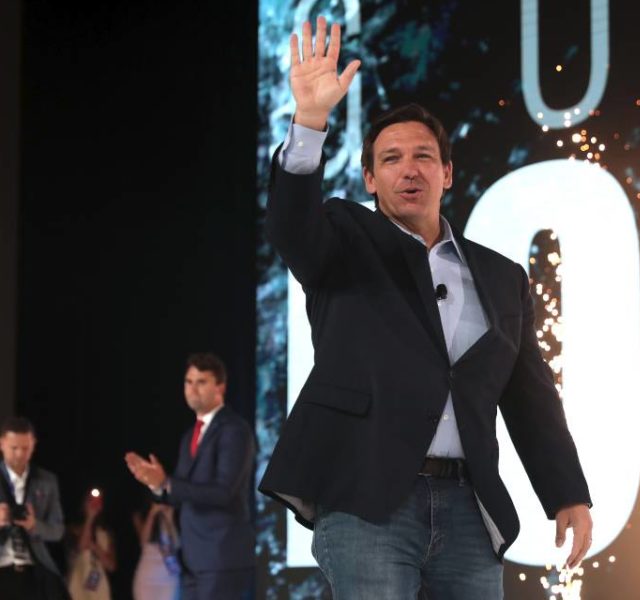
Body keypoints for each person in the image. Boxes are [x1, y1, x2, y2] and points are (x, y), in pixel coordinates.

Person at [258, 16, 594, 599]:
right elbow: (291, 227)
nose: (408, 168)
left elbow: (529, 394)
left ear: (447, 173)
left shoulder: (501, 276)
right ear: (369, 177)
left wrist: (568, 492)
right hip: (368, 500)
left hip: (470, 509)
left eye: (422, 156)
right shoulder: (342, 239)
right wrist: (310, 122)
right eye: (390, 159)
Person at [125, 352, 256, 600]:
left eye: (201, 382)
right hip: (191, 559)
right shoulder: (190, 436)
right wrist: (157, 487)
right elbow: (179, 494)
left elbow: (223, 492)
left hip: (222, 560)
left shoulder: (234, 430)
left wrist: (168, 483)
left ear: (220, 387)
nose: (192, 389)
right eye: (188, 382)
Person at [0, 416, 68, 600]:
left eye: (25, 448)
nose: (20, 454)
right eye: (14, 448)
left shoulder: (47, 481)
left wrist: (34, 525)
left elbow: (58, 530)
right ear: (2, 444)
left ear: (33, 445)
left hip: (33, 569)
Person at [66, 488, 117, 600]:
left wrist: (95, 547)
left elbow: (111, 566)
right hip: (77, 583)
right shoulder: (73, 529)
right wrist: (90, 517)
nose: (94, 504)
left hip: (99, 587)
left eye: (98, 501)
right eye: (91, 500)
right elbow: (81, 546)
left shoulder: (106, 532)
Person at [132, 498, 180, 600]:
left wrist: (169, 518)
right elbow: (143, 541)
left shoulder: (172, 512)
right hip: (147, 577)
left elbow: (177, 545)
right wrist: (152, 513)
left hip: (169, 578)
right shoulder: (142, 514)